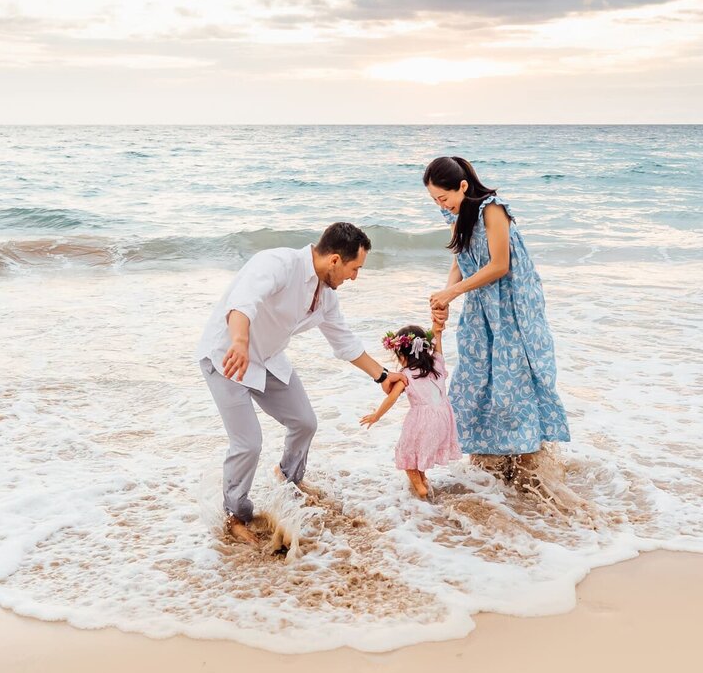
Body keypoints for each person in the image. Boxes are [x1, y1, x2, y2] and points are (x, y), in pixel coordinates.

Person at [198, 221, 408, 547]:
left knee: (305, 423)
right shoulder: (279, 264)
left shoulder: (325, 296)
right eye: (354, 269)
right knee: (248, 443)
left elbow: (345, 342)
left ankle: (288, 478)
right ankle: (235, 515)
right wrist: (239, 341)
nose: (355, 277)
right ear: (335, 260)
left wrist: (383, 376)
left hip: (267, 359)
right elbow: (242, 302)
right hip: (228, 358)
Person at [424, 156, 571, 458]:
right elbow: (459, 258)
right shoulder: (455, 214)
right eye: (435, 200)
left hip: (512, 301)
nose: (441, 204)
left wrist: (452, 293)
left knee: (514, 370)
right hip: (481, 300)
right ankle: (490, 448)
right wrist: (446, 292)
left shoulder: (492, 208)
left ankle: (527, 448)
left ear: (462, 186)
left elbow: (500, 265)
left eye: (444, 197)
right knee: (478, 368)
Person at [357, 314, 462, 500]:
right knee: (418, 454)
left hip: (422, 419)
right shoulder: (437, 364)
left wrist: (376, 415)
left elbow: (391, 399)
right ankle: (423, 484)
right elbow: (437, 342)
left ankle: (420, 490)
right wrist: (436, 327)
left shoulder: (404, 375)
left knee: (407, 454)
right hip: (444, 418)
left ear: (401, 355)